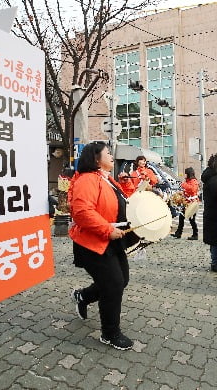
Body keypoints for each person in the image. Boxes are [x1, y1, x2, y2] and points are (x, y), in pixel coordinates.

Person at [68, 141, 134, 351]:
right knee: (113, 285)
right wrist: (106, 230)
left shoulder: (106, 179)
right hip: (93, 243)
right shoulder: (87, 179)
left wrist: (126, 186)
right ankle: (110, 333)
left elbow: (120, 202)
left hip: (111, 240)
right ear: (96, 158)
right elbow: (82, 212)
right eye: (107, 153)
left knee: (121, 280)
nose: (112, 156)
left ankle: (83, 296)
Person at [172, 167, 199, 240]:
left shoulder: (194, 181)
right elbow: (187, 191)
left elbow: (192, 190)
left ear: (188, 174)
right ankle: (178, 233)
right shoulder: (187, 181)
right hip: (186, 203)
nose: (184, 175)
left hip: (192, 204)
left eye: (185, 173)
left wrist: (184, 185)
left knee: (192, 219)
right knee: (181, 217)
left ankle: (195, 234)